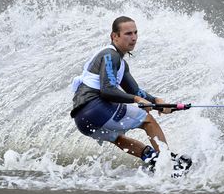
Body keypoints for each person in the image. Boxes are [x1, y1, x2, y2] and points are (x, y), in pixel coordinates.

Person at [70, 16, 190, 172]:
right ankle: (167, 162)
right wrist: (137, 99)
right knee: (148, 121)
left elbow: (134, 90)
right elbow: (107, 90)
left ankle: (150, 157)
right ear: (114, 36)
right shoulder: (110, 55)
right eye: (128, 34)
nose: (133, 38)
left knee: (117, 137)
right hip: (96, 107)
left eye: (135, 33)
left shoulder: (120, 62)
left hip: (82, 120)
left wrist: (157, 102)